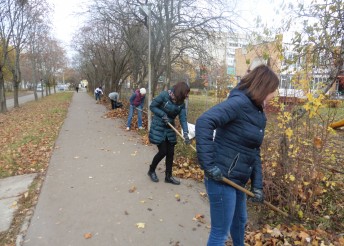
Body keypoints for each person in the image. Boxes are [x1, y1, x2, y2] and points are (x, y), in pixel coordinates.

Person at [195, 64, 279, 246]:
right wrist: (208, 165)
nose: (273, 96)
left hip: (238, 179)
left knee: (240, 222)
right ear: (264, 88)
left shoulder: (257, 112)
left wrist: (257, 186)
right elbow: (204, 122)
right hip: (221, 177)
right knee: (220, 233)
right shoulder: (239, 103)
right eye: (272, 91)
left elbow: (254, 150)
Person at [148, 82, 191, 185]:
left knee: (171, 153)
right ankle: (151, 170)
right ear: (180, 92)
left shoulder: (181, 103)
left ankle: (168, 176)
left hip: (170, 128)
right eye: (186, 93)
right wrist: (162, 114)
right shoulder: (164, 95)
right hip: (159, 126)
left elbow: (183, 119)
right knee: (163, 151)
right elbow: (152, 106)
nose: (187, 95)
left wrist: (185, 133)